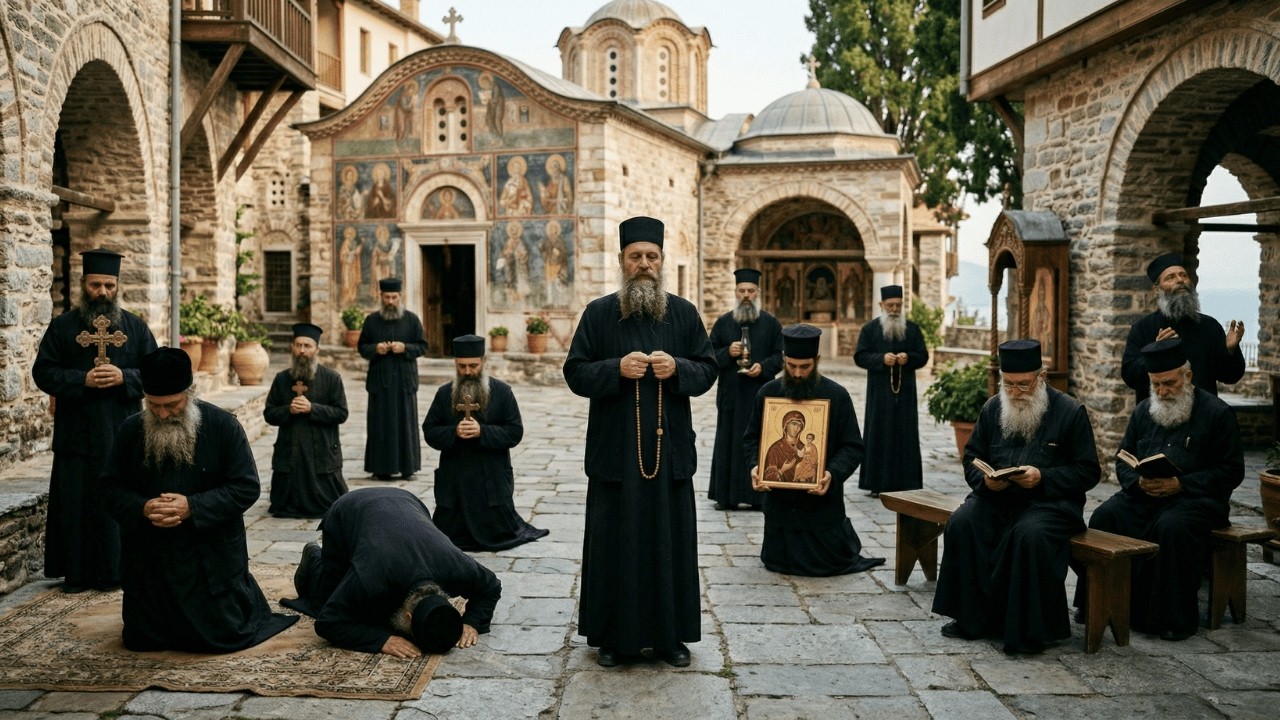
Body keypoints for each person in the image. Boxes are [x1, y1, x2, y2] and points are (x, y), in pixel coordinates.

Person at [562, 215, 717, 668]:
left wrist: (680, 369)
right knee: (616, 544)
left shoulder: (684, 314)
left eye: (652, 256)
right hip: (615, 457)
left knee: (670, 544)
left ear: (663, 261)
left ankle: (671, 638)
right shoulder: (598, 313)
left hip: (667, 458)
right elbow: (574, 372)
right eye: (636, 257)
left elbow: (708, 369)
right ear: (622, 262)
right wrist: (614, 369)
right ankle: (614, 638)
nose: (644, 264)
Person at [99, 348, 297, 652]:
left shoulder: (223, 427)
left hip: (209, 558)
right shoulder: (130, 431)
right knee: (142, 639)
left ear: (190, 393)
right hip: (151, 559)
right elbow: (110, 488)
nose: (163, 414)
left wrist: (193, 506)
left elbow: (246, 487)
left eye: (172, 405)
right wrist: (143, 507)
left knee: (221, 637)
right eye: (154, 406)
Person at [931, 339, 1101, 655]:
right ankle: (970, 619)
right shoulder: (993, 408)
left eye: (1023, 385)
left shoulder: (1069, 412)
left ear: (1041, 378)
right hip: (998, 499)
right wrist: (985, 482)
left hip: (1050, 505)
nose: (1016, 392)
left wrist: (1043, 477)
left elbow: (1089, 472)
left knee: (1029, 534)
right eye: (1009, 385)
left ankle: (1027, 631)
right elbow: (972, 458)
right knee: (962, 522)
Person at [1078, 338, 1243, 641]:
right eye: (1156, 385)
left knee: (1171, 527)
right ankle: (1098, 602)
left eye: (1169, 384)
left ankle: (1168, 619)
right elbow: (1124, 459)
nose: (1163, 392)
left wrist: (1181, 483)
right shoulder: (1144, 411)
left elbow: (1232, 472)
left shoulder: (1217, 414)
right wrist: (1137, 481)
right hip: (1145, 496)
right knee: (1104, 517)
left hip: (1197, 502)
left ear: (1187, 376)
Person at [32, 248, 158, 593]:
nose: (102, 292)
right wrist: (80, 380)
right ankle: (78, 573)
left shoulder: (135, 328)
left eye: (108, 285)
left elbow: (158, 374)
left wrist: (126, 377)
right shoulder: (63, 328)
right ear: (83, 285)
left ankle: (118, 571)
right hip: (78, 436)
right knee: (77, 505)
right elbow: (42, 372)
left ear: (117, 287)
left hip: (122, 433)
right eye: (95, 285)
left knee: (119, 504)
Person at [283, 487, 503, 657]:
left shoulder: (456, 569)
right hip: (346, 512)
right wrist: (381, 640)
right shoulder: (371, 576)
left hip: (408, 502)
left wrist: (472, 621)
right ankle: (313, 558)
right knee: (330, 596)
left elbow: (491, 585)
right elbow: (329, 623)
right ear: (407, 616)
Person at [743, 324, 885, 577]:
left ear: (817, 361)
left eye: (805, 367)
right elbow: (752, 438)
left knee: (826, 563)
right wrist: (756, 467)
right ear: (785, 360)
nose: (797, 373)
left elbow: (852, 447)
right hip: (780, 508)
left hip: (821, 505)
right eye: (791, 366)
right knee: (776, 563)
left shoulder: (837, 395)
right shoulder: (768, 392)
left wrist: (831, 473)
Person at [422, 335, 549, 551]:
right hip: (455, 478)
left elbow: (514, 432)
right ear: (455, 364)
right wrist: (454, 432)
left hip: (491, 477)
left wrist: (483, 432)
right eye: (462, 366)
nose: (468, 371)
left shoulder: (502, 392)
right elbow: (430, 431)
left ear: (484, 361)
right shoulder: (444, 394)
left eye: (473, 365)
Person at [1122, 252, 1245, 403]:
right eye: (1170, 277)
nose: (1180, 280)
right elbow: (1130, 376)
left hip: (1203, 419)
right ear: (1157, 289)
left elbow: (1230, 376)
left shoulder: (1209, 326)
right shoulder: (1142, 328)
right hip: (1158, 418)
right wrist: (1155, 352)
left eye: (1183, 275)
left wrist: (1230, 350)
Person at [707, 268, 783, 510]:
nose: (746, 295)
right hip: (731, 394)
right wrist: (727, 353)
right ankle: (726, 496)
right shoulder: (723, 322)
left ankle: (757, 496)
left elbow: (781, 356)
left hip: (760, 393)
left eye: (751, 291)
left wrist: (763, 366)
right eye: (742, 291)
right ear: (735, 292)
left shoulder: (771, 323)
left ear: (758, 293)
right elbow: (707, 356)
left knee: (760, 441)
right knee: (728, 441)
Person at [264, 323, 349, 519]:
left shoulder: (331, 378)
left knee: (329, 503)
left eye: (307, 346)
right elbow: (269, 413)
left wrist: (313, 409)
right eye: (298, 345)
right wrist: (288, 410)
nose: (302, 351)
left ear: (317, 349)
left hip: (322, 449)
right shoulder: (281, 379)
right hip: (290, 448)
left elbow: (341, 413)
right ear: (292, 347)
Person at [853, 285, 929, 496]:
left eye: (898, 305)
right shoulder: (870, 330)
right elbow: (860, 356)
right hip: (879, 394)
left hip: (905, 394)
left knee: (905, 434)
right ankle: (878, 484)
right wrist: (880, 359)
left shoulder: (912, 329)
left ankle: (907, 483)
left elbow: (923, 356)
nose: (894, 309)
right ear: (882, 306)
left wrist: (909, 358)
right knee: (879, 433)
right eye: (890, 305)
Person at [358, 278, 427, 479]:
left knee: (406, 423)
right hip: (380, 383)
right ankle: (381, 468)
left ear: (400, 297)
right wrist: (375, 348)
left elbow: (423, 346)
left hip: (404, 382)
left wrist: (405, 348)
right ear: (381, 297)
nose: (390, 301)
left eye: (394, 297)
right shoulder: (371, 321)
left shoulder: (412, 320)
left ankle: (408, 468)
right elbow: (362, 347)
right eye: (386, 297)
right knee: (380, 424)